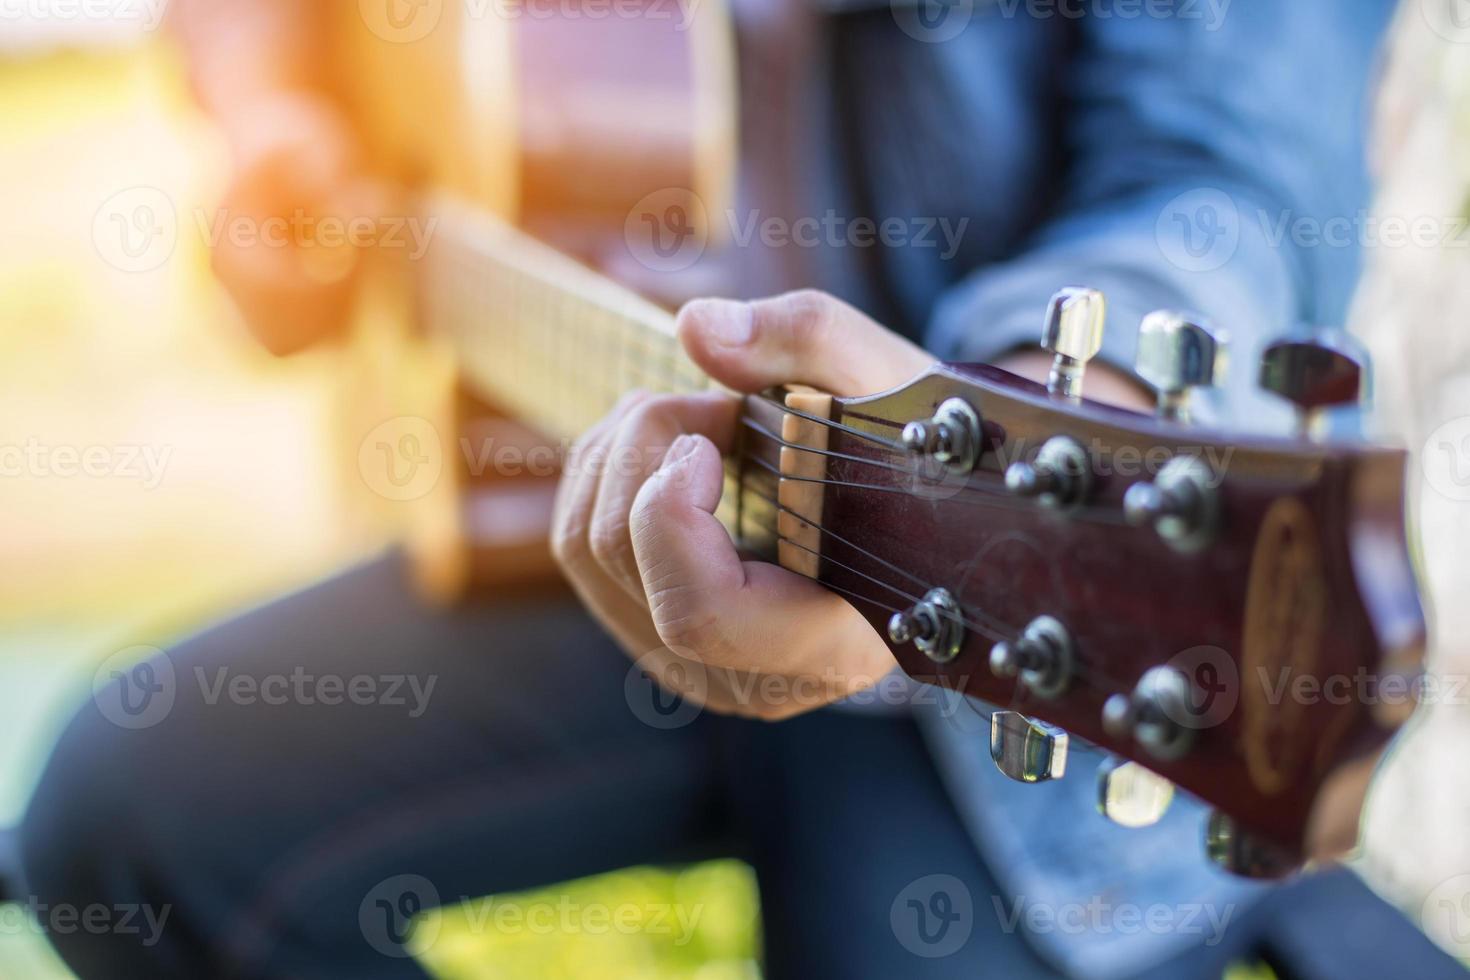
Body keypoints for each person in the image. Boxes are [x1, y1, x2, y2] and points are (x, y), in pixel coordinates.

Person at [17, 1, 1467, 978]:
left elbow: (1220, 172)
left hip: (985, 639)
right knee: (122, 822)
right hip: (613, 507)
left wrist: (1044, 407)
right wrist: (277, 108)